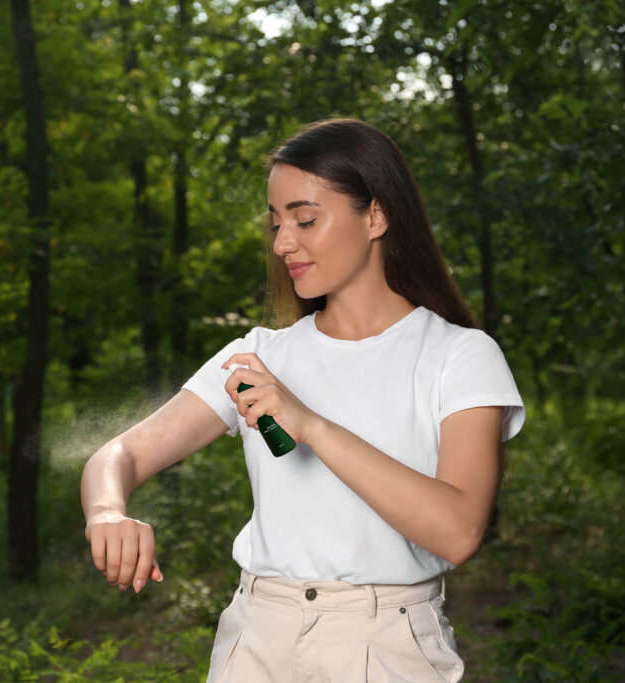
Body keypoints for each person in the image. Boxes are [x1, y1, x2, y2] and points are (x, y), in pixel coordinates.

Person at [81, 118, 524, 682]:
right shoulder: (258, 356)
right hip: (256, 642)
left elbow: (458, 530)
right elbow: (120, 456)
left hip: (386, 647)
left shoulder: (458, 356)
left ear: (376, 215)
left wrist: (310, 424)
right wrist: (107, 511)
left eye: (305, 219)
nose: (283, 242)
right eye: (275, 223)